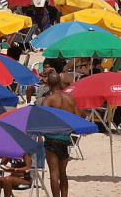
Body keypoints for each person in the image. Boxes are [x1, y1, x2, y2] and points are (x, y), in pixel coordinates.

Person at [39, 69, 77, 197]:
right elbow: (77, 117)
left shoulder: (49, 100)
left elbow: (43, 120)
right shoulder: (70, 98)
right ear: (60, 82)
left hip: (52, 138)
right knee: (63, 173)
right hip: (66, 138)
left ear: (48, 85)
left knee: (54, 175)